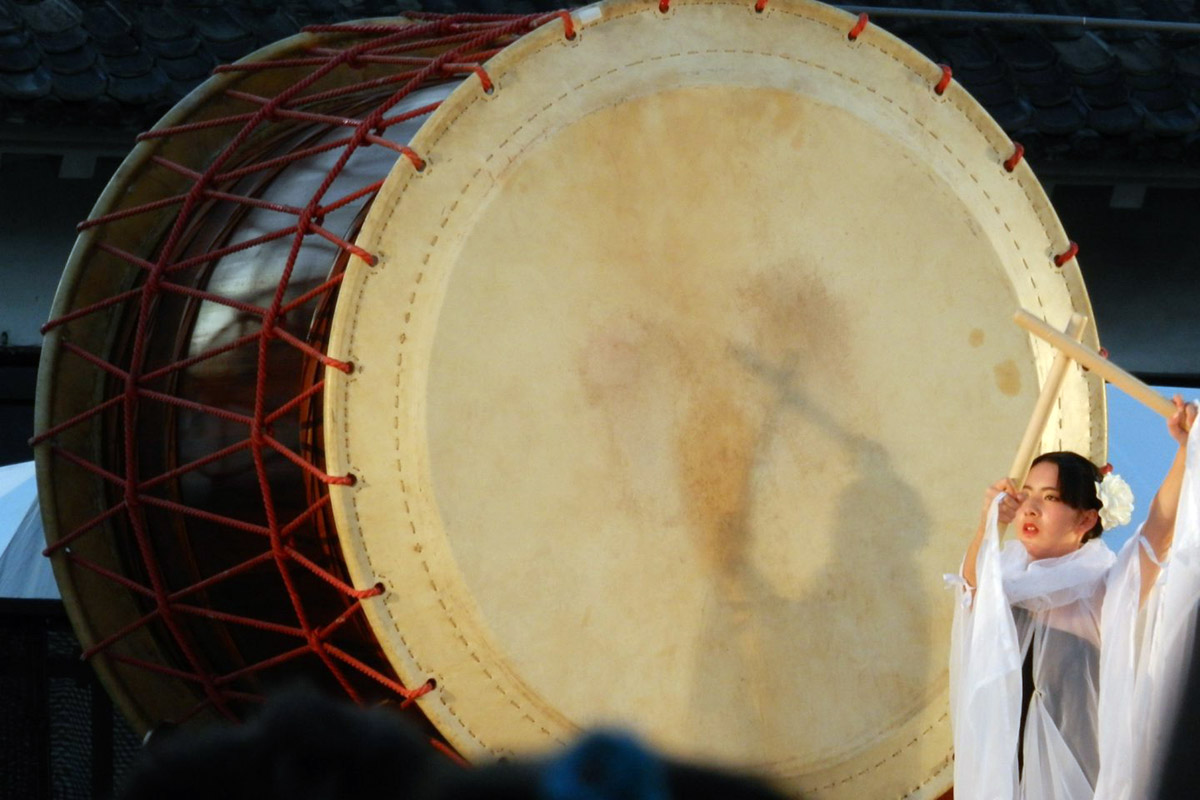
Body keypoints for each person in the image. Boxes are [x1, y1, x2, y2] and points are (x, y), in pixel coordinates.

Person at [948, 396, 1199, 800]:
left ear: (1086, 519)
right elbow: (970, 591)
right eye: (1026, 494)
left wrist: (1188, 448)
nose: (1030, 508)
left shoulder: (1102, 591)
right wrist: (989, 521)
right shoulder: (1001, 585)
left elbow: (1161, 527)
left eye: (1049, 498)